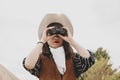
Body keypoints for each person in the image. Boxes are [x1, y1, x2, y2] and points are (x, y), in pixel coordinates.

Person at [23, 14, 95, 80]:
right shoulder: (40, 59)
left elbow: (89, 60)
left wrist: (71, 40)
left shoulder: (73, 58)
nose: (56, 37)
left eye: (60, 33)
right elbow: (28, 65)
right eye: (51, 33)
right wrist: (42, 40)